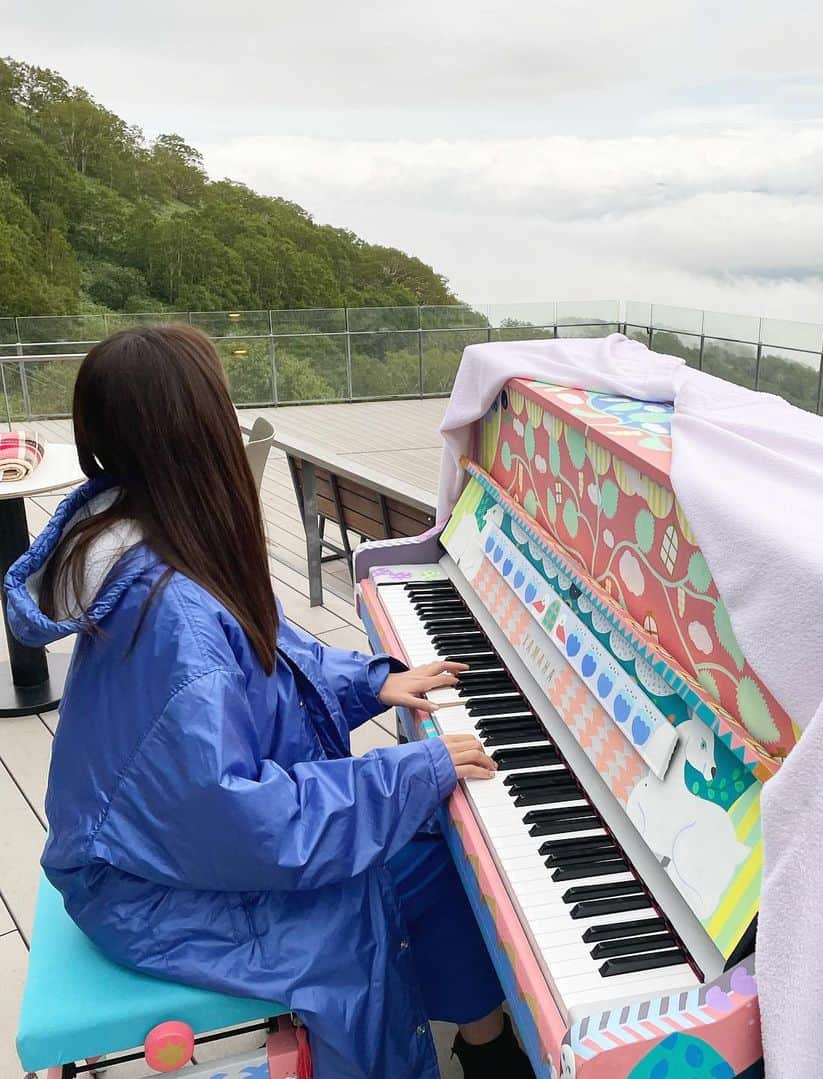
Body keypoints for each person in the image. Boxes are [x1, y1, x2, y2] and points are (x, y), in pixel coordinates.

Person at [4, 325, 533, 1079]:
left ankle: (485, 1044)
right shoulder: (170, 612)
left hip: (156, 846)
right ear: (201, 435)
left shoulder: (161, 537)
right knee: (351, 921)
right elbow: (235, 817)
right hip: (141, 885)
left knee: (425, 847)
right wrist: (406, 772)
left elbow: (272, 648)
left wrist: (370, 680)